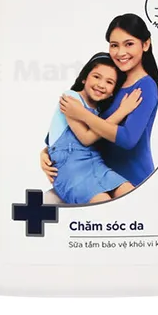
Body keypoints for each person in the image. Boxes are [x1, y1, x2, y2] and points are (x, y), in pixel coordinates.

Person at [41, 14, 158, 190]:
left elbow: (128, 139)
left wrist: (82, 114)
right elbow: (78, 129)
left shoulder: (146, 86)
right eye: (114, 45)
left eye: (129, 44)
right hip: (95, 176)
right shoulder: (111, 82)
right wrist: (47, 153)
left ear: (145, 44)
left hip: (132, 181)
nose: (120, 52)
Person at [46, 53, 142, 205]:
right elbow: (86, 138)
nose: (101, 85)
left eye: (109, 82)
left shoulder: (99, 112)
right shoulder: (70, 99)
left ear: (113, 91)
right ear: (84, 78)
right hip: (71, 171)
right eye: (97, 77)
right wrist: (122, 111)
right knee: (102, 203)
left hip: (97, 165)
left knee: (130, 193)